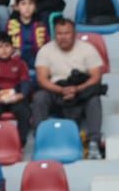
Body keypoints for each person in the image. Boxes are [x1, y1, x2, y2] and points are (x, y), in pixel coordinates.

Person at [32, 16, 105, 159]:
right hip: (56, 90)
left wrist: (77, 89)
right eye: (59, 33)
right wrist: (61, 90)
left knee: (94, 99)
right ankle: (41, 140)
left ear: (74, 34)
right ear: (55, 34)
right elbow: (41, 79)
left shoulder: (87, 49)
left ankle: (94, 143)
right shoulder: (45, 51)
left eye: (67, 33)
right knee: (39, 97)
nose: (63, 37)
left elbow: (96, 77)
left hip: (81, 90)